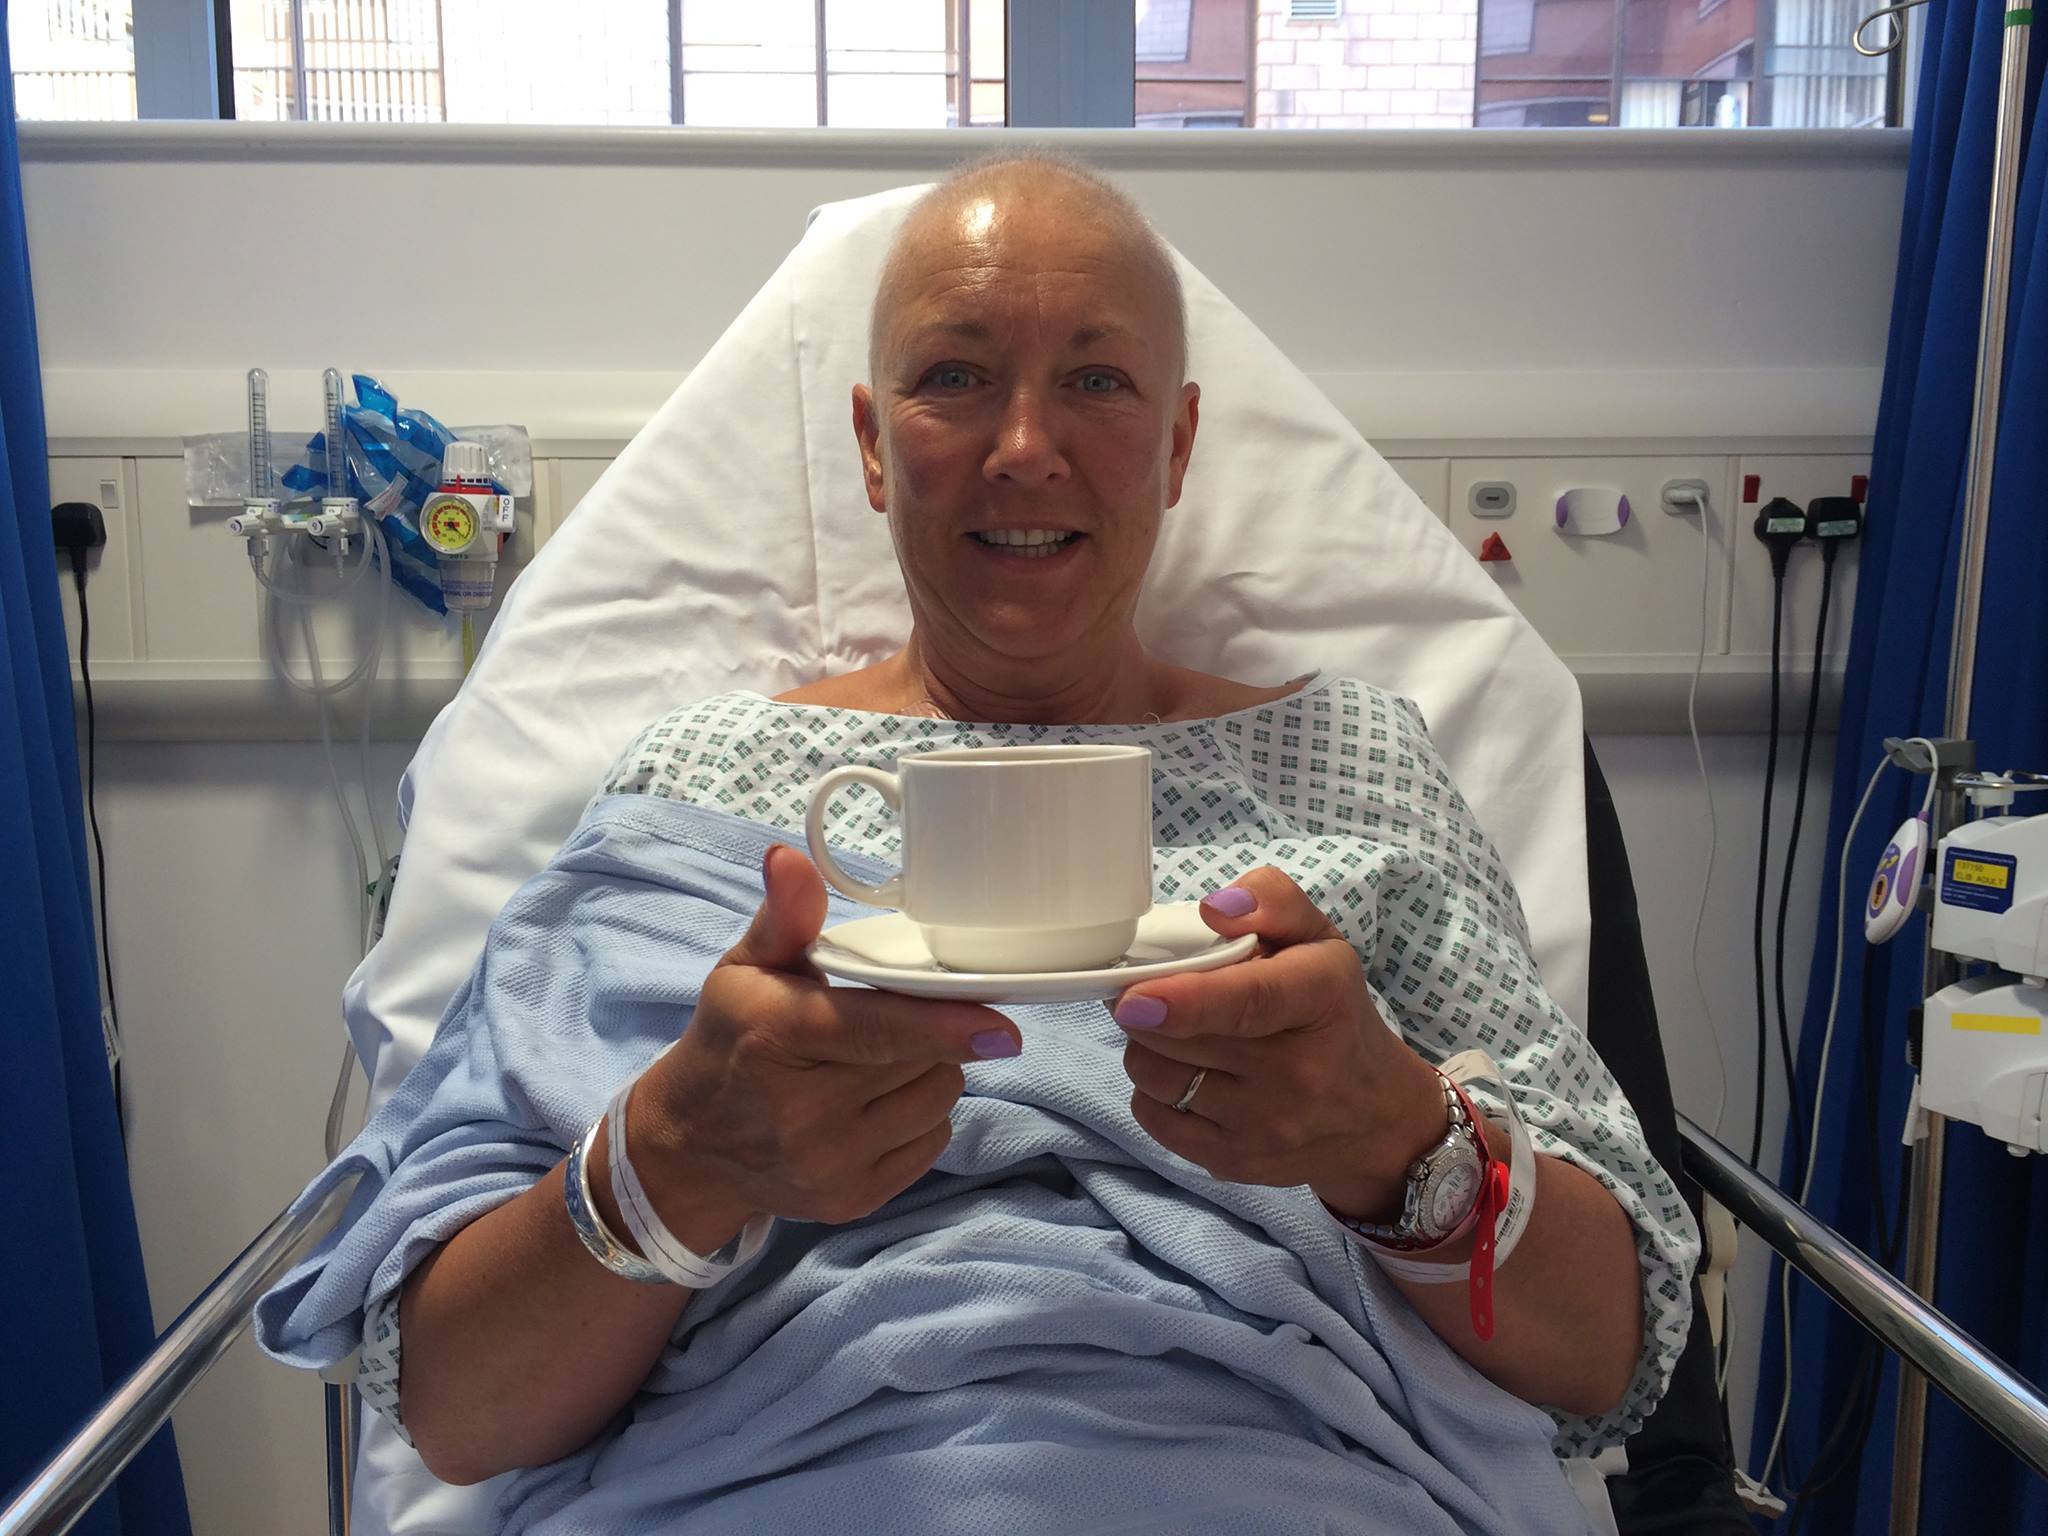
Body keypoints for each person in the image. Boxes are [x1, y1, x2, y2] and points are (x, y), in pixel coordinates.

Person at [258, 156, 1698, 1535]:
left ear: (1178, 445)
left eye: (1097, 381)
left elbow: (1610, 1356)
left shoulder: (1352, 767)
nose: (1024, 450)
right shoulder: (698, 782)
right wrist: (681, 1155)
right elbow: (453, 1406)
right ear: (873, 449)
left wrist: (1396, 1140)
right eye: (954, 378)